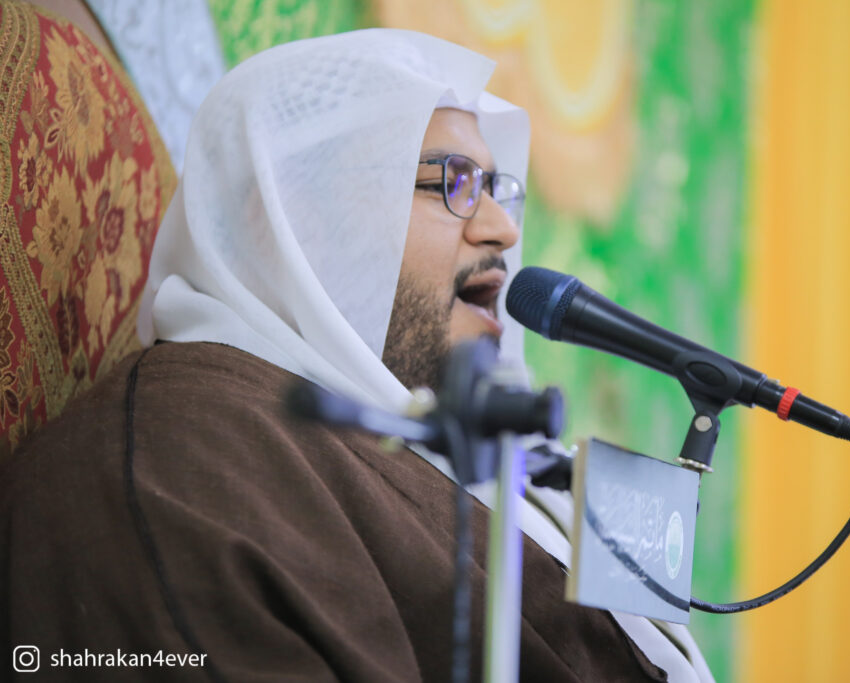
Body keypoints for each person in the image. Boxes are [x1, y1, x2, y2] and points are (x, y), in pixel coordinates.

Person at [0, 29, 712, 681]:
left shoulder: (496, 456)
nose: (501, 228)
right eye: (454, 183)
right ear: (293, 221)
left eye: (496, 190)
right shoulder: (186, 460)